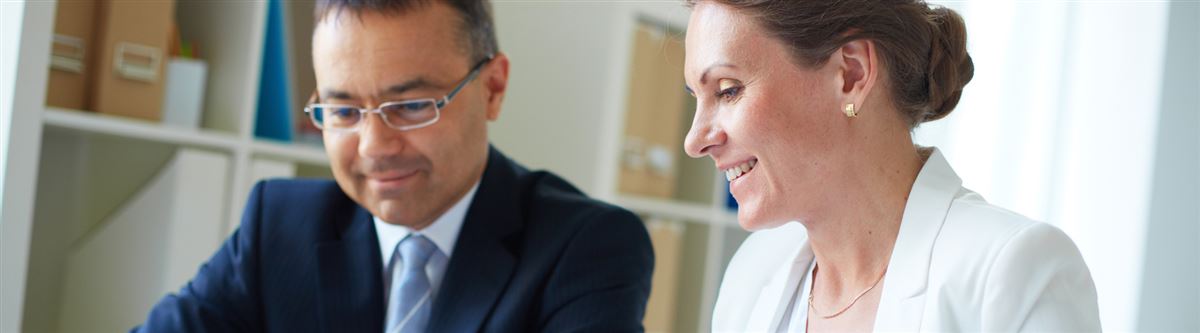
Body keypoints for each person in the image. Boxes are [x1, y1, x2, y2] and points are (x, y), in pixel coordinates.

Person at [135, 1, 653, 332]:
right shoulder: (278, 225)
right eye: (343, 111)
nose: (373, 146)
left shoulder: (586, 248)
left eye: (410, 106)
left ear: (493, 88)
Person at [680, 0, 1101, 331]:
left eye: (728, 90)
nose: (695, 140)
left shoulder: (1011, 272)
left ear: (851, 73)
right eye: (696, 98)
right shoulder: (752, 273)